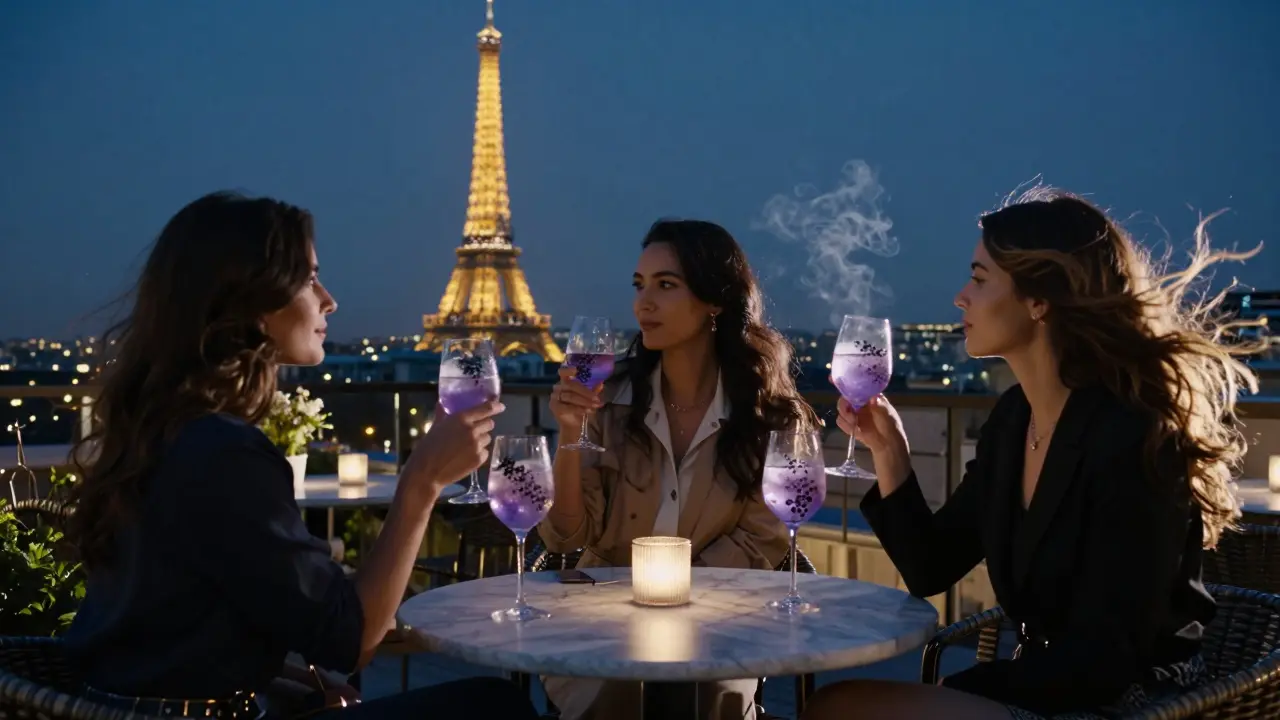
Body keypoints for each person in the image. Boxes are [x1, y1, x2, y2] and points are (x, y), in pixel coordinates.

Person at [62, 191, 539, 720]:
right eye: (310, 279)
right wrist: (422, 482)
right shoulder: (227, 456)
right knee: (494, 704)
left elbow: (178, 615)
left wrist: (265, 677)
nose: (328, 299)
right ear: (254, 304)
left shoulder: (163, 431)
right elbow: (352, 640)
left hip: (138, 704)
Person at [801, 189, 1261, 720]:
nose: (959, 297)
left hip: (1131, 702)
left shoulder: (1133, 435)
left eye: (978, 278)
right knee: (835, 705)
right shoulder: (1014, 419)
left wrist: (969, 684)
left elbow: (1107, 656)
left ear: (1039, 300)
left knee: (840, 708)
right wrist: (891, 451)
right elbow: (931, 566)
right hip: (1048, 684)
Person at [539, 219, 821, 720]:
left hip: (717, 625)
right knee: (619, 687)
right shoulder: (607, 404)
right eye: (639, 285)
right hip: (605, 626)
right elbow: (564, 537)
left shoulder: (774, 417)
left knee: (701, 694)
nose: (642, 303)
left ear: (715, 300)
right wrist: (567, 435)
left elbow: (763, 540)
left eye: (665, 286)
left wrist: (672, 608)